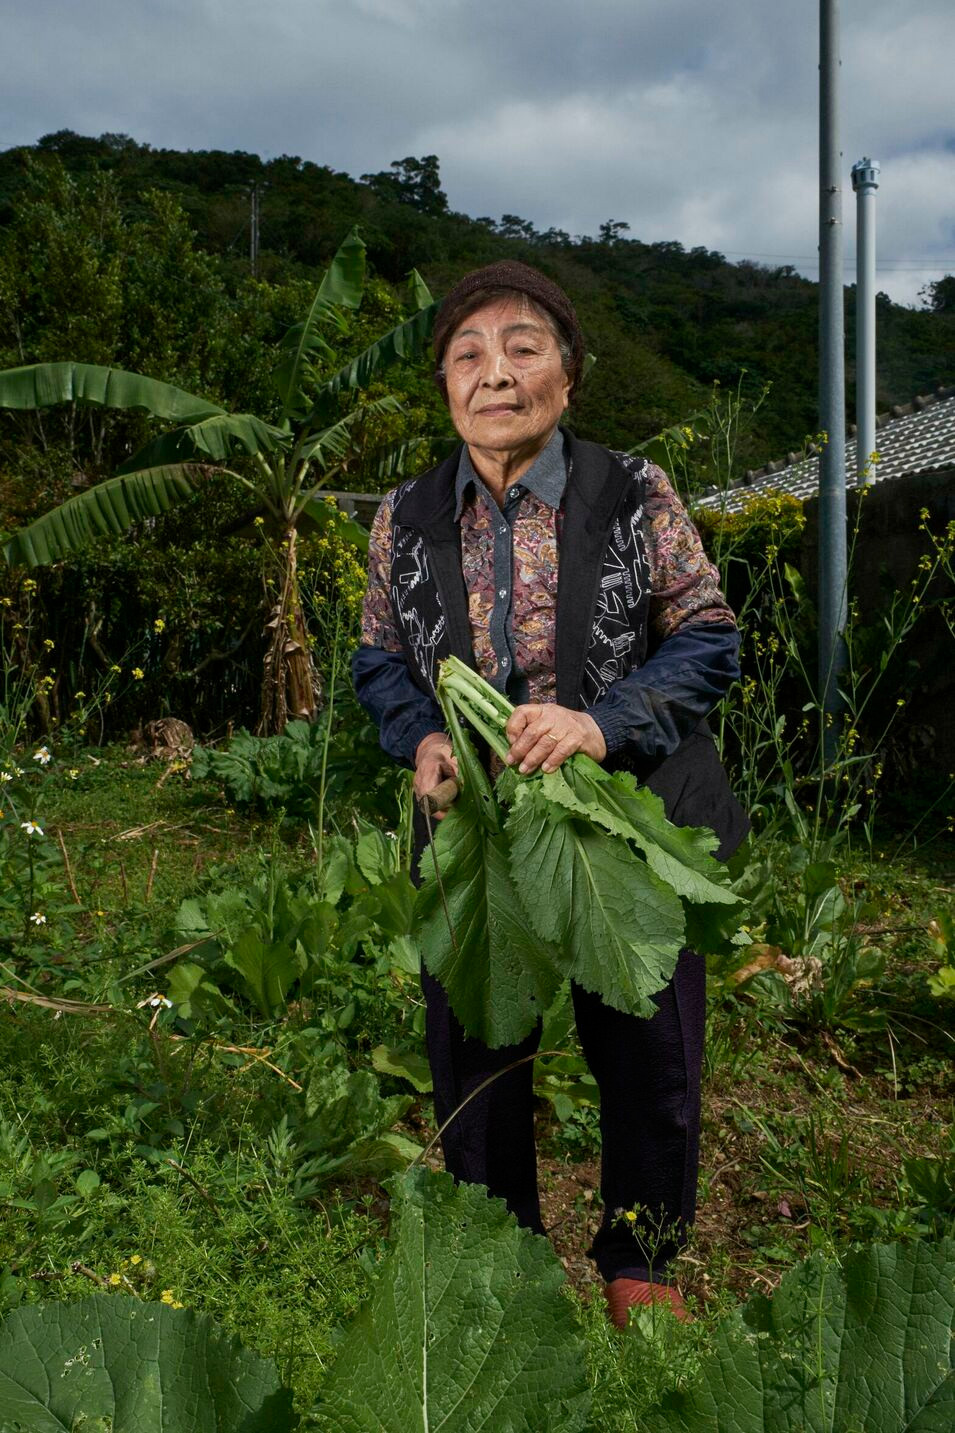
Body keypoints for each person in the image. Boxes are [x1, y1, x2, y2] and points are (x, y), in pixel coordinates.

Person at [352, 260, 748, 1327]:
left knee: (648, 1043)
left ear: (566, 378)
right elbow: (379, 660)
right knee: (473, 1046)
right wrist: (423, 736)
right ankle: (504, 1263)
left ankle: (642, 1264)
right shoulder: (405, 514)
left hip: (629, 815)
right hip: (476, 828)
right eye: (468, 354)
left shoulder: (634, 491)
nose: (495, 373)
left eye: (523, 347)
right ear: (444, 385)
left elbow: (710, 635)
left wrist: (597, 722)